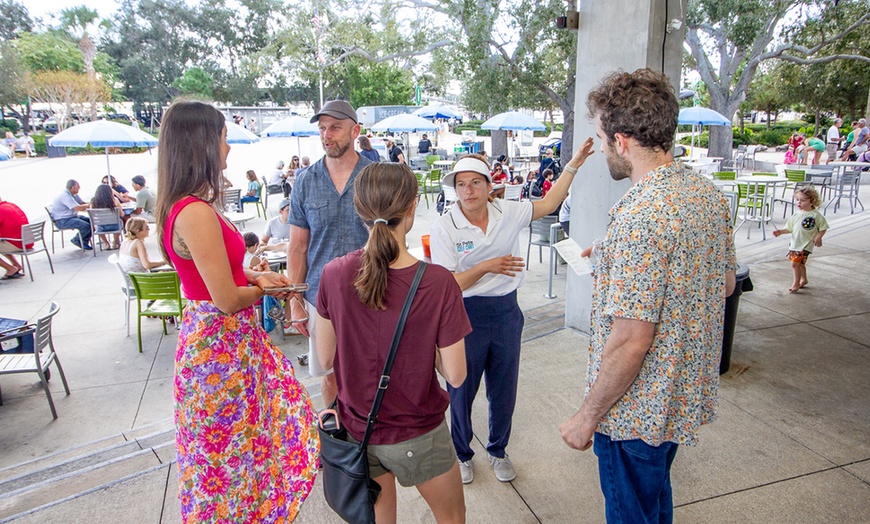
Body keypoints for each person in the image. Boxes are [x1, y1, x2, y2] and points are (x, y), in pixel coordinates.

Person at [558, 68, 736, 524]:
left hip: (634, 412)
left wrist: (586, 418)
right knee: (653, 501)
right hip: (677, 401)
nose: (601, 149)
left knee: (631, 512)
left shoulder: (639, 217)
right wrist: (616, 258)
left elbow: (631, 341)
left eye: (602, 140)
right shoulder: (706, 194)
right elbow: (725, 284)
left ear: (621, 141)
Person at [154, 100, 318, 523]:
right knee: (227, 461)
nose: (228, 147)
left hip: (228, 346)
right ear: (203, 143)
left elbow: (217, 271)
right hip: (218, 351)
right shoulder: (193, 211)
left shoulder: (192, 205)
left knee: (243, 452)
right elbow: (225, 299)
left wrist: (255, 274)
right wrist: (261, 287)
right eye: (224, 137)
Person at [430, 141, 594, 485]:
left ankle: (498, 450)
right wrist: (487, 266)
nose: (468, 191)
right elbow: (449, 285)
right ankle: (462, 453)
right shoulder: (446, 226)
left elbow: (550, 202)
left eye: (476, 182)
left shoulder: (508, 211)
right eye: (461, 184)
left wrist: (573, 165)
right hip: (465, 314)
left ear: (490, 186)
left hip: (506, 311)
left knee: (504, 388)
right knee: (461, 388)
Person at [316, 162, 470, 523]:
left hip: (358, 430)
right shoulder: (438, 282)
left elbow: (324, 359)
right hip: (418, 432)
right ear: (413, 206)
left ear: (359, 209)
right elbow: (456, 375)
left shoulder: (333, 273)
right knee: (452, 516)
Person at [286, 99, 372, 406]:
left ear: (355, 131)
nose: (327, 135)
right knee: (330, 375)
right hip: (319, 297)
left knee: (372, 372)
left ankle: (370, 431)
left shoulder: (375, 176)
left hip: (370, 293)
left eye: (335, 127)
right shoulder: (305, 181)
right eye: (323, 128)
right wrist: (295, 300)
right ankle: (336, 431)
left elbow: (393, 238)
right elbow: (297, 247)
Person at [773, 186, 829, 293]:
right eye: (797, 200)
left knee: (794, 264)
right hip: (795, 244)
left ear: (812, 201)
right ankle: (804, 279)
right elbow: (789, 228)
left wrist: (818, 237)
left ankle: (796, 284)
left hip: (805, 245)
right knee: (800, 264)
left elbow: (823, 227)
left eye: (803, 200)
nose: (799, 202)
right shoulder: (796, 214)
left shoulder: (816, 215)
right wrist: (780, 232)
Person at [51, 179, 93, 250]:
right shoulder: (64, 196)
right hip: (62, 220)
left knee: (92, 222)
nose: (79, 187)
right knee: (85, 226)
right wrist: (91, 205)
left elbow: (82, 203)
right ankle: (78, 240)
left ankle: (83, 241)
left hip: (72, 217)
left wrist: (93, 203)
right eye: (78, 186)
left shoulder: (74, 194)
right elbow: (78, 208)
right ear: (73, 187)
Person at [0, 196, 30, 278]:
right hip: (27, 241)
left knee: (2, 243)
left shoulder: (1, 210)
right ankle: (16, 265)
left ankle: (10, 269)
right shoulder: (11, 205)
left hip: (18, 244)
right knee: (2, 243)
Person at [91, 184, 124, 249]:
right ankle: (115, 243)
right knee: (119, 221)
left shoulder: (93, 202)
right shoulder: (114, 200)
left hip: (101, 228)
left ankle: (106, 244)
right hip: (115, 227)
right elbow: (121, 214)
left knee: (96, 225)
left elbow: (93, 215)